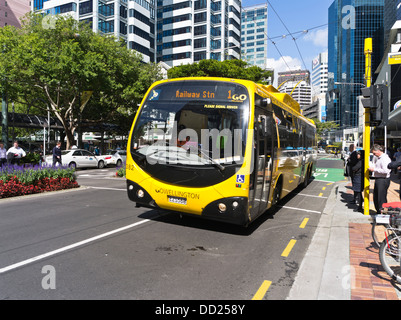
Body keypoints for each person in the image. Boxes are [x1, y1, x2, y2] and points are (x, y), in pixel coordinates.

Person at [369, 144, 392, 213]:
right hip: (379, 179)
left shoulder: (384, 159)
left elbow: (386, 171)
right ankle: (379, 211)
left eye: (374, 153)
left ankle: (382, 213)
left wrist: (374, 169)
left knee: (381, 198)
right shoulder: (380, 158)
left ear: (378, 151)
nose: (374, 154)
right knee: (376, 197)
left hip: (383, 180)